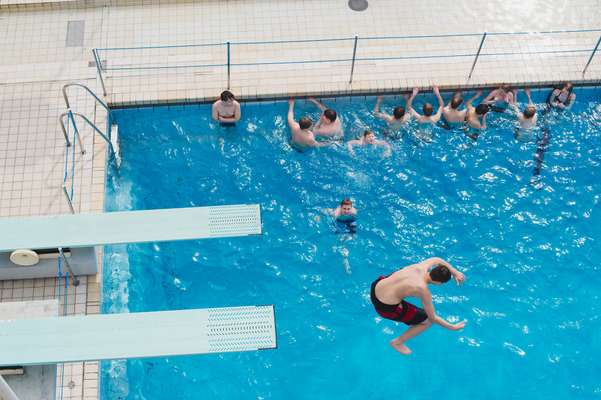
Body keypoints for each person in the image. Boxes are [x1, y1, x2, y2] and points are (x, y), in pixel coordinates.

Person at [370, 257, 466, 355]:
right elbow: (432, 317)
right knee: (427, 322)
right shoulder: (422, 290)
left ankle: (398, 295)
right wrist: (451, 327)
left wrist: (455, 272)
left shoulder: (420, 267)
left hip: (375, 287)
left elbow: (436, 259)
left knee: (399, 276)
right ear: (439, 283)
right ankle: (397, 342)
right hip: (383, 307)